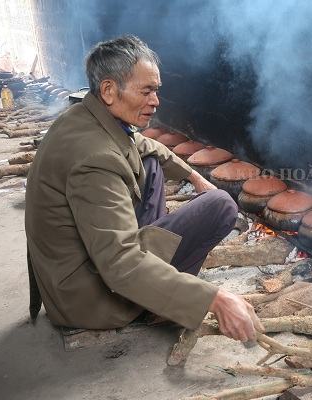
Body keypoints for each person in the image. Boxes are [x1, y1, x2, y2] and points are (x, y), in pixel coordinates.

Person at [24, 35, 263, 343]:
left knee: (149, 163)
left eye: (157, 90)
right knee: (220, 206)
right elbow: (120, 263)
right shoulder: (94, 160)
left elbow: (143, 143)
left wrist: (193, 176)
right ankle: (155, 301)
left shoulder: (85, 116)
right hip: (88, 297)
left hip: (65, 275)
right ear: (109, 90)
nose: (156, 100)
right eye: (147, 91)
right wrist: (213, 299)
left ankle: (157, 268)